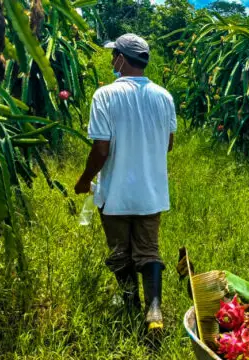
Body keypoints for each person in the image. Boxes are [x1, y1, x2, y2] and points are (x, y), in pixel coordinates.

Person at [75, 34, 177, 331]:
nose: (111, 61)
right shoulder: (164, 96)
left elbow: (101, 149)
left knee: (120, 251)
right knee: (149, 251)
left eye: (113, 56)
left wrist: (84, 180)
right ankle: (154, 309)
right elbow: (168, 144)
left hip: (116, 194)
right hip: (151, 193)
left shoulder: (105, 95)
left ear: (121, 58)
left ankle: (131, 304)